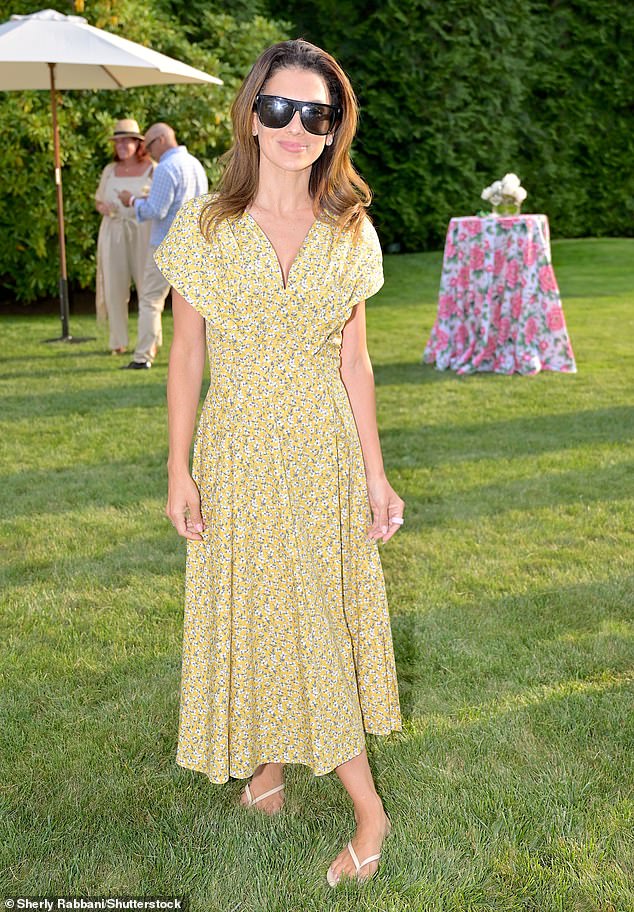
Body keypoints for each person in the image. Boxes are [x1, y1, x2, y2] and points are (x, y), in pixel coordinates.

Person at [154, 39, 405, 888]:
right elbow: (185, 356)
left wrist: (376, 473)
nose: (297, 128)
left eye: (317, 114)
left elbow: (355, 362)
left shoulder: (348, 229)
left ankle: (369, 815)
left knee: (312, 620)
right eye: (280, 108)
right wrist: (178, 468)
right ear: (252, 113)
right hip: (237, 453)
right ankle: (265, 771)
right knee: (261, 608)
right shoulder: (205, 226)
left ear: (335, 128)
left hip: (324, 454)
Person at [118, 123, 208, 369]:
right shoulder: (195, 165)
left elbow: (155, 210)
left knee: (150, 300)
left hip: (165, 245)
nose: (147, 153)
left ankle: (143, 357)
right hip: (194, 245)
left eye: (147, 146)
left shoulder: (166, 168)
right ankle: (197, 353)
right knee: (194, 305)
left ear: (160, 140)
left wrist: (132, 200)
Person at [95, 119, 153, 355]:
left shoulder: (153, 168)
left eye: (126, 140)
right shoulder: (109, 170)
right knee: (114, 286)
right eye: (117, 141)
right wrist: (104, 208)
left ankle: (149, 341)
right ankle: (117, 340)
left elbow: (160, 203)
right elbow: (98, 200)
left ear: (137, 143)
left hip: (143, 230)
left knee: (146, 286)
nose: (121, 145)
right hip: (113, 230)